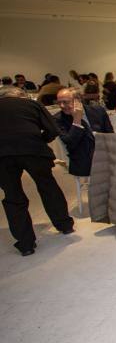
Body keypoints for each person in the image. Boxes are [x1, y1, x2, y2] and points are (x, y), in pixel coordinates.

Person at [0, 87, 74, 256]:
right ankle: (64, 225)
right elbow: (53, 129)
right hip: (33, 149)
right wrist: (40, 140)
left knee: (13, 196)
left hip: (2, 155)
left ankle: (26, 244)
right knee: (48, 186)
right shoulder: (31, 104)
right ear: (20, 95)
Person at [54, 87, 114, 177]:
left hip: (104, 152)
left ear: (78, 100)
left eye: (65, 102)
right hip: (83, 159)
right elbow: (70, 143)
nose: (61, 106)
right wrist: (77, 120)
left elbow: (110, 134)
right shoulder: (58, 119)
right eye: (59, 102)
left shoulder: (98, 111)